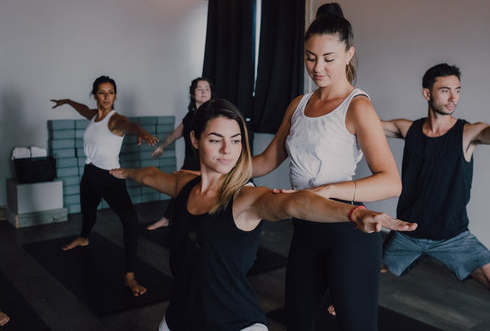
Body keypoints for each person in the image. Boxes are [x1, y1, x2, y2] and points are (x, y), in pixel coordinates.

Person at [110, 99, 416, 331]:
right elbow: (151, 176)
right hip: (178, 317)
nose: (227, 150)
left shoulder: (246, 198)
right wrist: (128, 172)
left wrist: (354, 214)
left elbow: (297, 204)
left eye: (236, 140)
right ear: (195, 140)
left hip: (234, 322)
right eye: (215, 139)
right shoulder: (183, 185)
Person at [251, 3, 402, 330]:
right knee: (298, 320)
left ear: (349, 54)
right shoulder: (299, 104)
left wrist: (329, 189)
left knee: (356, 325)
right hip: (305, 227)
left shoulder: (358, 106)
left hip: (348, 231)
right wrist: (218, 170)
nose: (317, 68)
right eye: (310, 57)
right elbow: (265, 160)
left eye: (328, 59)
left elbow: (391, 181)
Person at [380, 63, 490, 331]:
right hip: (407, 233)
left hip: (454, 239)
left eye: (457, 90)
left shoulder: (468, 134)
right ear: (427, 94)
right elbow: (363, 123)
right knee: (356, 271)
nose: (454, 98)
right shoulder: (408, 130)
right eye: (445, 91)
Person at [51, 75, 158, 297]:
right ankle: (84, 237)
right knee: (88, 212)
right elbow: (83, 109)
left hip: (110, 177)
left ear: (115, 95)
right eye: (102, 92)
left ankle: (129, 275)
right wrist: (68, 101)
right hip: (90, 174)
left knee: (130, 220)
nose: (107, 97)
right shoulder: (94, 116)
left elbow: (128, 125)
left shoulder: (114, 119)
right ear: (95, 95)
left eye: (110, 92)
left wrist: (139, 130)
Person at [147, 77, 213, 230]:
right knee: (179, 190)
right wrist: (162, 146)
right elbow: (175, 135)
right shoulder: (190, 116)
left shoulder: (214, 115)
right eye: (199, 89)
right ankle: (166, 218)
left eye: (207, 89)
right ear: (192, 93)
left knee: (204, 196)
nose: (204, 92)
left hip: (208, 163)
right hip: (190, 161)